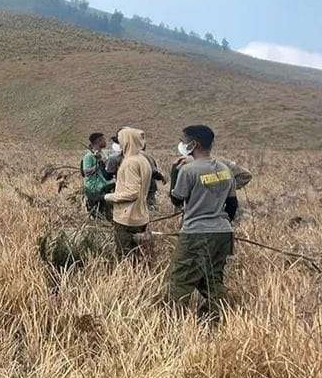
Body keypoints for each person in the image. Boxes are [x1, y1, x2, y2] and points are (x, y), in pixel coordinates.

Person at [167, 125, 252, 321]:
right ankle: (219, 319)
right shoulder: (224, 169)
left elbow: (177, 200)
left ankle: (171, 325)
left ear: (194, 144)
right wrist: (219, 221)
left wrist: (174, 172)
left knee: (180, 281)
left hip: (195, 233)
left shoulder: (188, 170)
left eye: (185, 140)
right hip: (223, 233)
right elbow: (232, 204)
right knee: (213, 279)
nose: (182, 143)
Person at [102, 127, 153, 259]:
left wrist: (109, 197)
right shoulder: (142, 159)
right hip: (140, 215)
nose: (120, 144)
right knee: (138, 254)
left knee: (125, 256)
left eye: (121, 140)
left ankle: (128, 277)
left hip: (127, 218)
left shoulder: (130, 163)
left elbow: (132, 193)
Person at [81, 132, 114, 219]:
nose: (105, 141)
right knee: (97, 215)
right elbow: (86, 172)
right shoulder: (89, 156)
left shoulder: (103, 153)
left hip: (103, 186)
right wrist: (98, 163)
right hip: (94, 189)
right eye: (103, 139)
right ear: (99, 141)